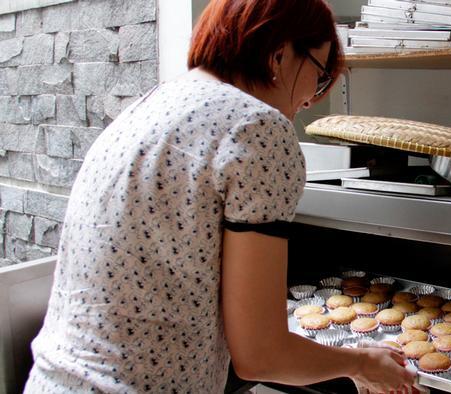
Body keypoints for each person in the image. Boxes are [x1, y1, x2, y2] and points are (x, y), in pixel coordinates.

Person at [24, 0, 416, 393]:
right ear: (280, 55)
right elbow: (262, 356)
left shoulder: (147, 107)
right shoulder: (257, 127)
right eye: (318, 74)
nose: (310, 100)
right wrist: (363, 364)